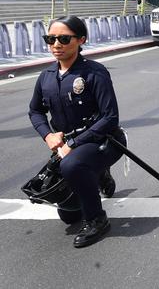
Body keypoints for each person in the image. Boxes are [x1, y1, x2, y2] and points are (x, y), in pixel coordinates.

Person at [28, 16, 124, 248]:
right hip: (68, 147)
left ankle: (97, 220)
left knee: (71, 165)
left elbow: (110, 118)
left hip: (104, 141)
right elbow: (35, 111)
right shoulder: (46, 77)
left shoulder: (95, 73)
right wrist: (48, 135)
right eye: (50, 39)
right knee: (70, 214)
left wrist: (74, 143)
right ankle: (97, 175)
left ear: (81, 40)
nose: (56, 45)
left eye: (63, 38)